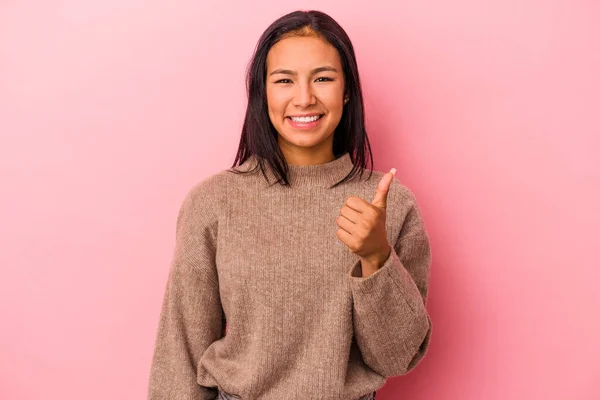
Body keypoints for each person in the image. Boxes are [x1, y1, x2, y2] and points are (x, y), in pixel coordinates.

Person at [148, 9, 432, 400]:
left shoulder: (391, 205)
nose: (304, 98)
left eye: (323, 78)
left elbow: (396, 357)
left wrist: (376, 256)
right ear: (263, 93)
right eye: (284, 80)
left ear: (347, 89)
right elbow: (180, 350)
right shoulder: (213, 203)